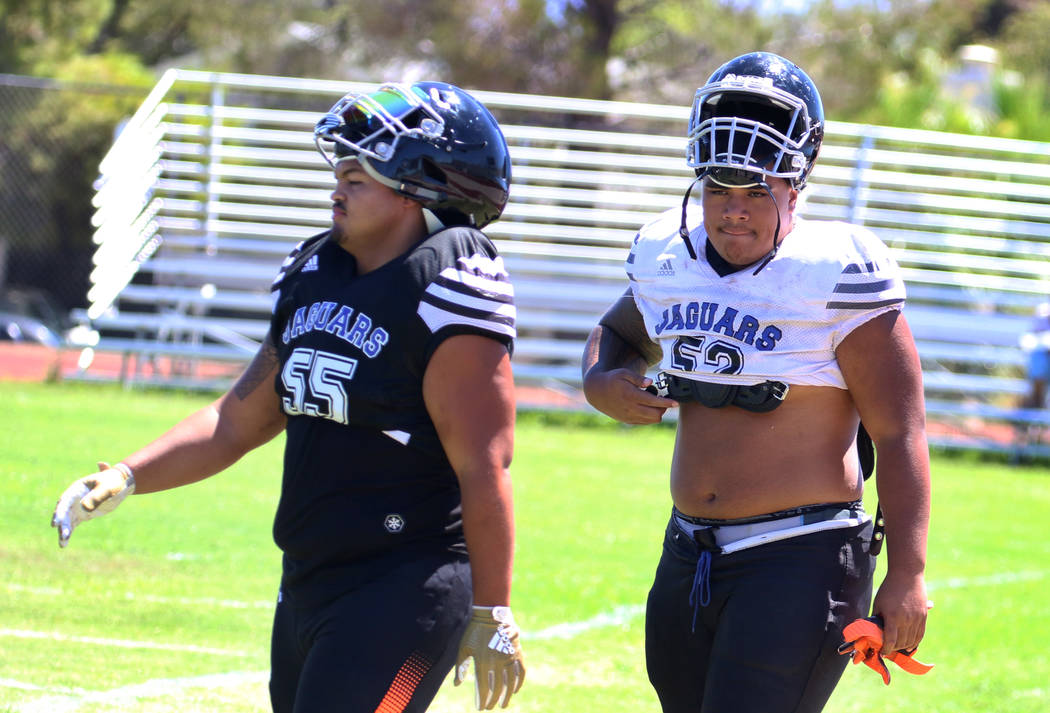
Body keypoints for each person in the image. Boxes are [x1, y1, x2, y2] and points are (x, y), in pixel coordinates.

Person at [51, 81, 525, 712]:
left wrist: (492, 610)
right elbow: (235, 420)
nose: (337, 189)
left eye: (358, 177)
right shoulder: (314, 275)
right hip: (308, 577)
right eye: (340, 173)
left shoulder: (446, 284)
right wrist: (132, 475)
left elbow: (484, 466)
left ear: (414, 191)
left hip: (407, 588)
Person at [581, 52, 931, 713]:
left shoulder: (836, 273)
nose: (732, 212)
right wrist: (604, 381)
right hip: (689, 549)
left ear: (794, 188)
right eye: (718, 188)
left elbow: (901, 428)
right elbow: (618, 331)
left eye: (754, 192)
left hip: (801, 556)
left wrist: (907, 573)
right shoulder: (667, 254)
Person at [1020, 300, 1050, 409]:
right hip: (1040, 360)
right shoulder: (1042, 312)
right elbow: (1028, 341)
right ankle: (1037, 404)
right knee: (1039, 358)